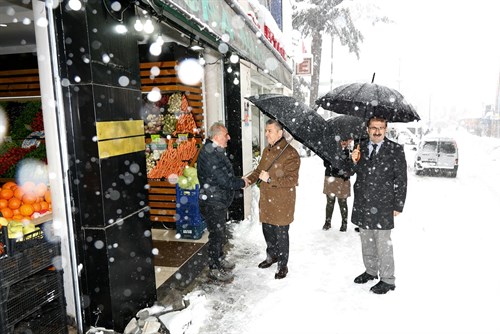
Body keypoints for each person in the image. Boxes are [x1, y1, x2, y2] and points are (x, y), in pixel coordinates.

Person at [350, 116, 407, 294]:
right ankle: (371, 271)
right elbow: (349, 172)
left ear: (386, 129)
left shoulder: (395, 149)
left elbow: (401, 178)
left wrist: (398, 204)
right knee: (366, 241)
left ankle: (388, 279)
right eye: (374, 127)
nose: (377, 131)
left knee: (383, 244)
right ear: (367, 129)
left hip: (383, 205)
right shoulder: (359, 147)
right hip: (363, 203)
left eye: (381, 127)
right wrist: (353, 160)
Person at [244, 119, 300, 280]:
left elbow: (292, 180)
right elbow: (259, 170)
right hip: (267, 199)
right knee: (267, 230)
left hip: (282, 201)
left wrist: (270, 180)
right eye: (266, 130)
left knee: (281, 234)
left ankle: (283, 265)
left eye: (269, 131)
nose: (266, 134)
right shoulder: (267, 150)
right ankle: (272, 256)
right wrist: (248, 180)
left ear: (280, 133)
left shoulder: (291, 154)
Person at [197, 122, 247, 282]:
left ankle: (219, 259)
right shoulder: (211, 154)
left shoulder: (214, 150)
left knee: (219, 233)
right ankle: (214, 267)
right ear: (217, 137)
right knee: (216, 235)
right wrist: (242, 182)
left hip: (215, 200)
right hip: (212, 202)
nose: (229, 138)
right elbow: (223, 181)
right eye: (226, 135)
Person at [322, 139, 352, 232]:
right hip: (330, 177)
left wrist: (345, 171)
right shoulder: (330, 149)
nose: (344, 142)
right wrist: (334, 167)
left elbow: (352, 166)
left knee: (342, 202)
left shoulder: (352, 151)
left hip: (343, 179)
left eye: (346, 140)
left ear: (349, 141)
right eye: (342, 140)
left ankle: (344, 223)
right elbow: (325, 163)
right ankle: (327, 222)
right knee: (330, 202)